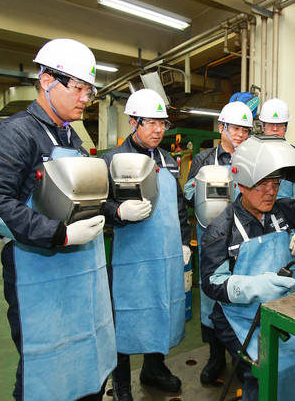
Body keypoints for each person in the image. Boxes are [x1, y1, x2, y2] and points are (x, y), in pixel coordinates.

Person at [0, 38, 116, 401]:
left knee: (81, 355)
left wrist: (114, 211)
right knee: (43, 363)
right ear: (47, 81)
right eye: (80, 89)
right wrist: (59, 234)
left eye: (90, 92)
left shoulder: (70, 137)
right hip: (39, 276)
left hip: (79, 277)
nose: (86, 99)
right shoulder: (16, 134)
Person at [200, 135, 295, 401]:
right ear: (242, 184)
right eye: (262, 184)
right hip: (240, 318)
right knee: (270, 371)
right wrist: (252, 286)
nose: (271, 191)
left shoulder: (283, 211)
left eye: (275, 184)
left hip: (284, 311)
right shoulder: (220, 230)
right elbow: (211, 282)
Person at [101, 88, 191, 400]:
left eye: (162, 124)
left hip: (165, 256)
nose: (157, 130)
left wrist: (183, 242)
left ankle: (154, 368)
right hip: (131, 260)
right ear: (132, 123)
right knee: (124, 318)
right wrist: (117, 212)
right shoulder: (111, 161)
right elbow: (95, 204)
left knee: (160, 312)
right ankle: (123, 386)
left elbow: (179, 204)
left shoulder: (168, 160)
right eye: (150, 123)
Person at [183, 100, 254, 385]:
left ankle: (240, 355)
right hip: (211, 237)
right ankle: (215, 357)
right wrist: (197, 186)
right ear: (222, 127)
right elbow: (189, 196)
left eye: (245, 130)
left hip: (243, 237)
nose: (239, 134)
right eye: (235, 128)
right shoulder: (202, 160)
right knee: (212, 295)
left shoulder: (251, 158)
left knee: (240, 293)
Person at [259, 98, 295, 258]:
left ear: (286, 127)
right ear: (262, 126)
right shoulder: (253, 155)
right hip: (255, 230)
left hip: (287, 233)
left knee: (285, 278)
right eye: (270, 124)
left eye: (280, 125)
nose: (275, 129)